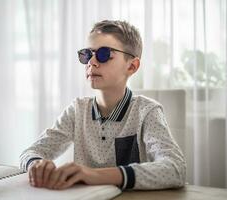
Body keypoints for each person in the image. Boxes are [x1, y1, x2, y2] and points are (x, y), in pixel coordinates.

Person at [20, 20, 186, 190]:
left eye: (104, 54)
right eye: (86, 54)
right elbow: (29, 153)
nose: (92, 62)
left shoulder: (147, 111)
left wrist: (95, 175)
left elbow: (176, 169)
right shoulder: (77, 110)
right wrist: (36, 165)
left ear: (132, 66)